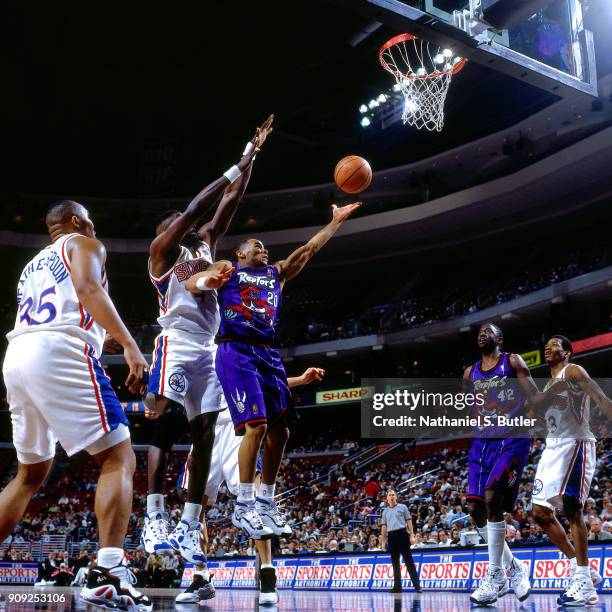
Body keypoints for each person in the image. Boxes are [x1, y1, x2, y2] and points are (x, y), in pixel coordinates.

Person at [186, 202, 359, 604]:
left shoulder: (275, 273)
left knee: (281, 428)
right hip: (235, 350)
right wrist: (208, 276)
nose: (262, 248)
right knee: (258, 426)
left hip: (267, 353)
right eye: (256, 246)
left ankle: (264, 500)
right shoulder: (229, 271)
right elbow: (191, 280)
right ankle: (244, 503)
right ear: (240, 253)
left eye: (264, 246)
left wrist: (333, 222)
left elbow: (308, 251)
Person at [141, 117, 273, 592]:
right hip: (175, 342)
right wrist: (235, 164)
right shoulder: (161, 253)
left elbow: (227, 204)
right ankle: (154, 513)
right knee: (168, 421)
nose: (185, 226)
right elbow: (199, 206)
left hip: (209, 347)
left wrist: (252, 157)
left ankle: (189, 525)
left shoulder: (203, 245)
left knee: (203, 436)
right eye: (177, 224)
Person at [0, 201, 150, 610]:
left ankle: (107, 573)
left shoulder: (32, 263)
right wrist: (131, 345)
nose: (93, 223)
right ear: (73, 221)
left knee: (29, 475)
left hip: (17, 356)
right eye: (88, 218)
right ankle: (108, 574)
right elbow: (87, 289)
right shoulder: (84, 243)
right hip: (61, 348)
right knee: (119, 456)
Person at [176, 367, 324, 604]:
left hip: (237, 429)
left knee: (253, 503)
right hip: (205, 432)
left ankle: (267, 574)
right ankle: (201, 576)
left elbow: (263, 380)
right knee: (196, 507)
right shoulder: (196, 347)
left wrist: (301, 379)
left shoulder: (233, 346)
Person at [464, 322, 557, 605]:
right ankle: (513, 567)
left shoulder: (512, 361)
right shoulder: (470, 372)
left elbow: (535, 399)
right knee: (474, 508)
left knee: (493, 497)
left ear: (499, 339)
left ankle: (495, 574)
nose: (482, 334)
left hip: (513, 439)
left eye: (488, 331)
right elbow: (471, 408)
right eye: (479, 332)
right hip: (483, 442)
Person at [532, 335, 611, 606]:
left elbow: (599, 397)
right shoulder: (549, 384)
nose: (548, 347)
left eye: (555, 344)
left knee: (571, 509)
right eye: (547, 344)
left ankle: (583, 583)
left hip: (576, 444)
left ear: (566, 353)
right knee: (540, 513)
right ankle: (583, 570)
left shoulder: (573, 371)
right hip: (552, 448)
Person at [380, 489, 420, 593]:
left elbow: (409, 521)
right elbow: (384, 527)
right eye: (390, 495)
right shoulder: (385, 511)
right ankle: (397, 587)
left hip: (402, 534)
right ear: (387, 498)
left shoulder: (403, 507)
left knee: (409, 561)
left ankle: (417, 586)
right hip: (391, 536)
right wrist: (383, 542)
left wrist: (412, 535)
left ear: (396, 496)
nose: (392, 496)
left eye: (393, 495)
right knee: (395, 562)